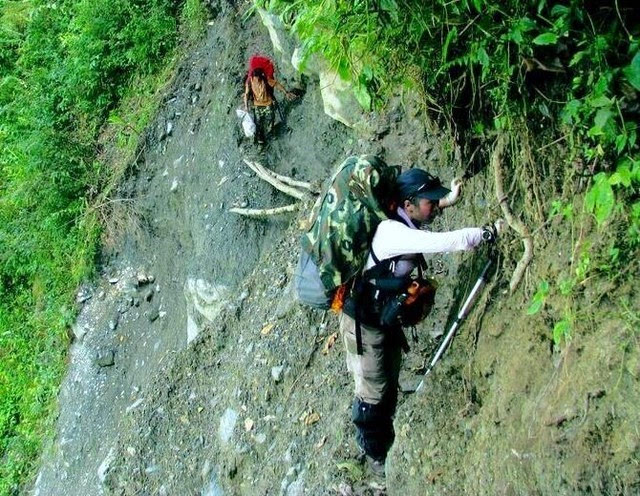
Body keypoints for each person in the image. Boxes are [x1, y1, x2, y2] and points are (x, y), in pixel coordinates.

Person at [339, 167, 503, 478]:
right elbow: (445, 243)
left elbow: (424, 217)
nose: (433, 206)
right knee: (372, 392)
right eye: (430, 201)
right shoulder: (393, 233)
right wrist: (486, 233)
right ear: (410, 202)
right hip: (361, 325)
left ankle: (387, 434)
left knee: (389, 378)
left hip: (381, 318)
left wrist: (448, 201)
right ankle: (375, 456)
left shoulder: (402, 216)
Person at [243, 67, 295, 143]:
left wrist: (286, 92)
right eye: (255, 78)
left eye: (258, 79)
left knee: (270, 120)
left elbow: (276, 84)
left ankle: (271, 133)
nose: (257, 81)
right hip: (257, 105)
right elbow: (246, 94)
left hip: (268, 104)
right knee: (258, 123)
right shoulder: (249, 82)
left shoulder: (265, 80)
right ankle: (260, 139)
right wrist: (246, 106)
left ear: (260, 77)